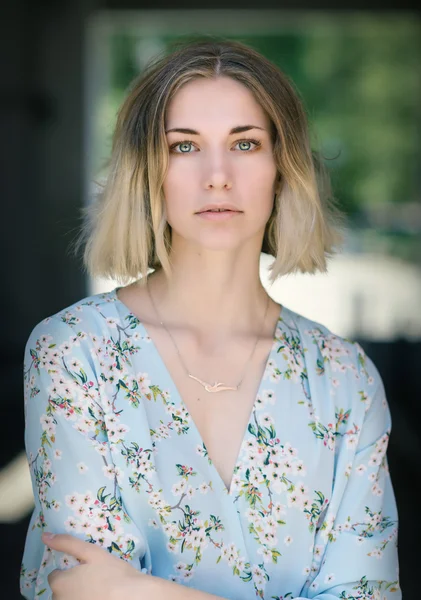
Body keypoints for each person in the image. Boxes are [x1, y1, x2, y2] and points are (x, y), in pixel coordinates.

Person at [20, 38, 401, 600]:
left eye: (245, 144)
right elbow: (82, 592)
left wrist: (141, 591)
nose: (217, 175)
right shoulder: (73, 352)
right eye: (184, 147)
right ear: (147, 171)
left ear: (282, 167)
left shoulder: (345, 379)